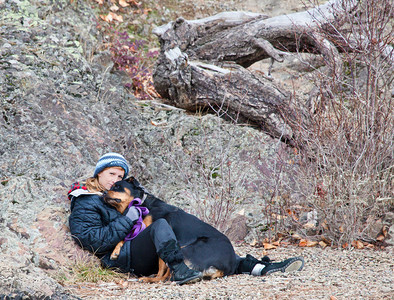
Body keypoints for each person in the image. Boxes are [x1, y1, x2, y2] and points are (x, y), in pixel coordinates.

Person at [68, 152, 304, 285]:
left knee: (212, 249)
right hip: (122, 257)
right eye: (111, 174)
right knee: (161, 225)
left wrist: (132, 214)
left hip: (141, 248)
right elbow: (90, 240)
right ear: (98, 173)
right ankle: (180, 272)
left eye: (120, 176)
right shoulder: (87, 200)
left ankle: (260, 267)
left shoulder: (125, 201)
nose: (114, 180)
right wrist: (128, 218)